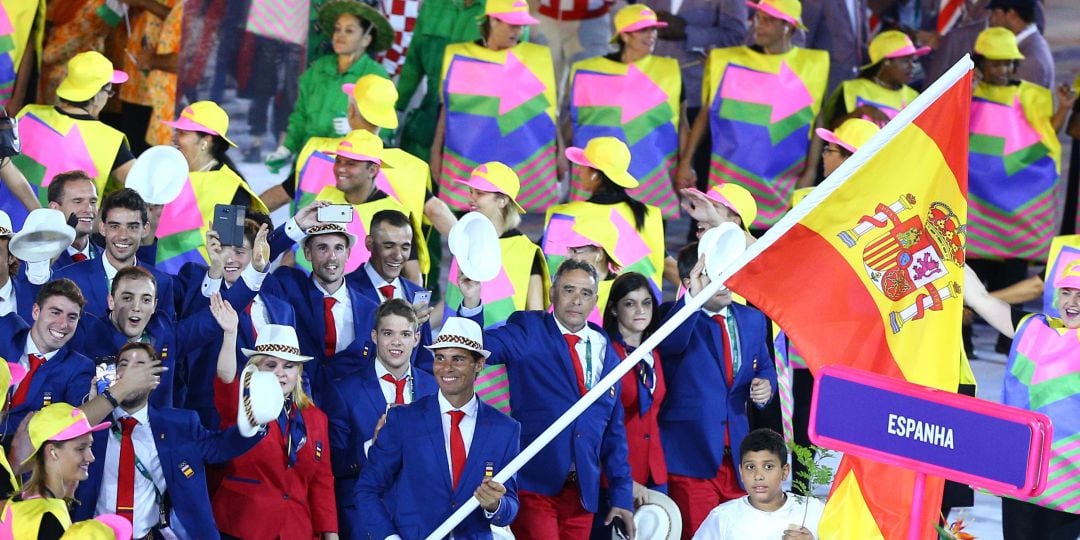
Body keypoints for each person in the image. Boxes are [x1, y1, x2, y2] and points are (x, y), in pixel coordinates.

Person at [458, 259, 636, 540]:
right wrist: (471, 302)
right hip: (534, 485)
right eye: (568, 290)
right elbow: (477, 347)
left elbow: (613, 434)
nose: (576, 300)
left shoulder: (607, 350)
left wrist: (622, 496)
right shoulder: (529, 330)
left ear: (595, 301)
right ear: (552, 293)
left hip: (582, 496)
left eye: (585, 293)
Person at [72, 341, 265, 539]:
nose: (131, 373)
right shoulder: (91, 427)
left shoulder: (179, 425)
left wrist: (256, 420)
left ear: (154, 380)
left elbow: (221, 447)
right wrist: (92, 408)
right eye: (124, 364)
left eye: (140, 366)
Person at [356, 317, 521, 539]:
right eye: (440, 358)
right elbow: (367, 489)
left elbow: (509, 506)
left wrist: (495, 505)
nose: (446, 368)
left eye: (458, 359)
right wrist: (388, 537)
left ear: (479, 364)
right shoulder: (404, 420)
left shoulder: (505, 429)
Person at [676, 0, 829, 231]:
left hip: (781, 188)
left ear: (789, 27)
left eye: (768, 20)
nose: (758, 25)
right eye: (757, 18)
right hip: (727, 183)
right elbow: (706, 114)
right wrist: (686, 162)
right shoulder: (728, 61)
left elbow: (818, 120)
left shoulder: (811, 66)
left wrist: (809, 173)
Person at [966, 27, 1074, 346]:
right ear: (981, 63)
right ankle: (964, 338)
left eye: (1009, 63)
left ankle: (1009, 340)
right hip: (976, 205)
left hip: (1015, 206)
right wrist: (966, 95)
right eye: (997, 63)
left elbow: (1044, 137)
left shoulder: (1033, 94)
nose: (1004, 70)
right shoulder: (964, 93)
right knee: (971, 272)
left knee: (1013, 274)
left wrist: (1063, 110)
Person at [662, 244, 776, 539]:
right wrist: (693, 301)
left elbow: (763, 366)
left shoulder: (752, 319)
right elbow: (669, 346)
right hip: (690, 457)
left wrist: (766, 386)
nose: (725, 281)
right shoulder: (677, 319)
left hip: (738, 458)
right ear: (691, 281)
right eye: (714, 274)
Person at [963, 262, 1080, 539]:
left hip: (1068, 480)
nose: (1071, 302)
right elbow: (978, 297)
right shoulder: (1032, 327)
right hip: (1022, 470)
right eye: (1066, 292)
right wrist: (947, 246)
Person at [431, 0, 563, 214]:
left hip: (527, 175)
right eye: (512, 24)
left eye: (521, 26)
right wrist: (435, 152)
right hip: (469, 170)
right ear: (492, 20)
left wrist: (560, 150)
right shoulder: (460, 56)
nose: (518, 31)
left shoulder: (536, 58)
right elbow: (447, 111)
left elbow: (547, 112)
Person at [321, 299, 438, 538]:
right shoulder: (344, 391)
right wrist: (371, 446)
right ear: (374, 336)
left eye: (405, 334)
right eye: (388, 333)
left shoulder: (433, 389)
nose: (397, 342)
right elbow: (332, 462)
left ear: (416, 339)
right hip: (364, 523)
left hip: (424, 521)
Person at [211, 322, 338, 539]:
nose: (280, 373)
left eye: (289, 366)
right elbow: (225, 378)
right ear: (256, 368)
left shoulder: (316, 418)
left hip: (296, 529)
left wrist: (331, 535)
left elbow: (322, 482)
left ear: (298, 372)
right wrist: (230, 334)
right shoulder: (241, 405)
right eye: (271, 365)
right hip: (244, 525)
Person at [567, 5, 685, 219]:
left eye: (653, 29)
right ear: (624, 35)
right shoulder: (588, 71)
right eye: (644, 30)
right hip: (600, 174)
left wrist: (686, 165)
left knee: (649, 240)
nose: (652, 36)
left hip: (653, 175)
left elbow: (683, 123)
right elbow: (574, 122)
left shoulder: (669, 70)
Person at [9, 51, 134, 227]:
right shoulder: (109, 139)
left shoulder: (28, 114)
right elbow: (141, 184)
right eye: (109, 91)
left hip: (7, 228)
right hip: (62, 241)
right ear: (97, 94)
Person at [263, 0, 392, 170]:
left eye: (349, 30)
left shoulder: (376, 76)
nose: (340, 35)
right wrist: (286, 148)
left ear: (366, 39)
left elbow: (387, 127)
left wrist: (359, 129)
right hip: (307, 162)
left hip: (347, 167)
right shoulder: (317, 69)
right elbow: (300, 115)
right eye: (338, 29)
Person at [591, 272, 672, 538]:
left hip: (655, 473)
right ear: (613, 309)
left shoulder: (655, 353)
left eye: (646, 303)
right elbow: (598, 426)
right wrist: (624, 481)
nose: (640, 310)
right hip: (615, 477)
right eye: (630, 303)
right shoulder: (604, 354)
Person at [264, 216, 380, 398]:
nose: (332, 257)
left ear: (348, 253)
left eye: (338, 248)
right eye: (322, 248)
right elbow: (257, 261)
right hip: (302, 408)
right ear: (308, 253)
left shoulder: (370, 309)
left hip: (351, 412)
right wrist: (297, 224)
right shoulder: (290, 286)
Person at [293, 130, 428, 285]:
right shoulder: (325, 196)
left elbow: (413, 276)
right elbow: (299, 249)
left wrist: (415, 308)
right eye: (338, 161)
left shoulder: (396, 213)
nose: (340, 168)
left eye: (351, 163)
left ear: (372, 170)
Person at [544, 137, 667, 294]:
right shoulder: (648, 215)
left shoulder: (564, 216)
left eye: (583, 166)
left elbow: (550, 271)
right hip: (637, 313)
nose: (579, 170)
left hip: (579, 314)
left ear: (595, 174)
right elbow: (664, 264)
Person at [445, 162, 549, 327]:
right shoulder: (463, 240)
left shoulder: (526, 251)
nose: (471, 198)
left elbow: (536, 319)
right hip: (456, 346)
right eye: (470, 191)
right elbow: (451, 301)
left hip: (504, 350)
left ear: (502, 201)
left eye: (479, 193)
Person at [163, 101, 269, 264]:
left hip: (206, 284)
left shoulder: (230, 189)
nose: (174, 137)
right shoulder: (168, 178)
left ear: (206, 140)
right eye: (176, 131)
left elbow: (230, 255)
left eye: (182, 132)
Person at [53, 188, 177, 320]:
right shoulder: (68, 278)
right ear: (102, 228)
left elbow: (165, 336)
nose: (123, 236)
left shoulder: (162, 282)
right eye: (114, 226)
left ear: (145, 229)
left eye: (132, 227)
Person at [0, 280, 96, 442]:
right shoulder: (5, 332)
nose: (63, 324)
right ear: (36, 312)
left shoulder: (78, 368)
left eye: (72, 317)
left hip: (27, 461)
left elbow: (75, 425)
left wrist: (91, 406)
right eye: (55, 312)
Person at [691, 428, 823, 540]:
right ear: (741, 472)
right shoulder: (722, 517)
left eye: (768, 466)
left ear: (784, 471)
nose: (758, 476)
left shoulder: (813, 510)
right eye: (750, 467)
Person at [0, 404, 109, 539]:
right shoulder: (48, 519)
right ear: (52, 452)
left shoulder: (21, 501)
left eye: (90, 446)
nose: (91, 457)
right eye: (80, 449)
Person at [988, 0, 1054, 88]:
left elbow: (1011, 99)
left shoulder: (1030, 61)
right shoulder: (1030, 43)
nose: (991, 20)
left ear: (1012, 15)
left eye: (995, 13)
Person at [44, 171, 100, 269]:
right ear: (54, 208)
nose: (88, 209)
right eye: (78, 201)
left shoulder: (107, 259)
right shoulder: (35, 260)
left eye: (93, 202)